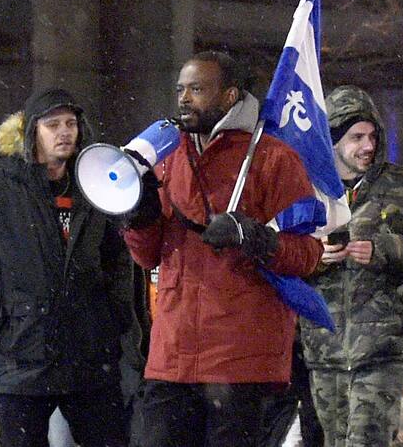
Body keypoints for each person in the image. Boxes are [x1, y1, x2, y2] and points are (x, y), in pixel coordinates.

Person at [121, 50, 324, 446]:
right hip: (174, 354)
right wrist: (139, 218)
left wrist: (256, 237)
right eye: (181, 89)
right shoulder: (168, 154)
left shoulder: (272, 158)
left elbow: (308, 254)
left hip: (240, 361)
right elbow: (147, 257)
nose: (184, 99)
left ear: (230, 96)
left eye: (197, 89)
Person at [0, 88, 138, 447]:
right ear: (31, 132)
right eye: (53, 124)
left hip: (89, 360)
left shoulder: (94, 187)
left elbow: (120, 261)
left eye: (71, 124)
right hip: (20, 361)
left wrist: (110, 317)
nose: (65, 132)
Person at [300, 85, 403, 447]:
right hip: (324, 348)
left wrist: (383, 249)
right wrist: (312, 255)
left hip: (381, 350)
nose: (367, 146)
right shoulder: (305, 189)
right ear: (332, 139)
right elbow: (277, 250)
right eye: (355, 137)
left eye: (372, 136)